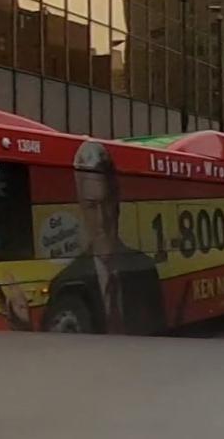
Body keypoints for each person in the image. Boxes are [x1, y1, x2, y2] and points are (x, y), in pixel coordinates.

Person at [41, 140, 165, 334]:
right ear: (81, 208)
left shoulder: (145, 271)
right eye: (92, 206)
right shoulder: (64, 282)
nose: (101, 219)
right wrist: (21, 327)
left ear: (117, 204)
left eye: (106, 203)